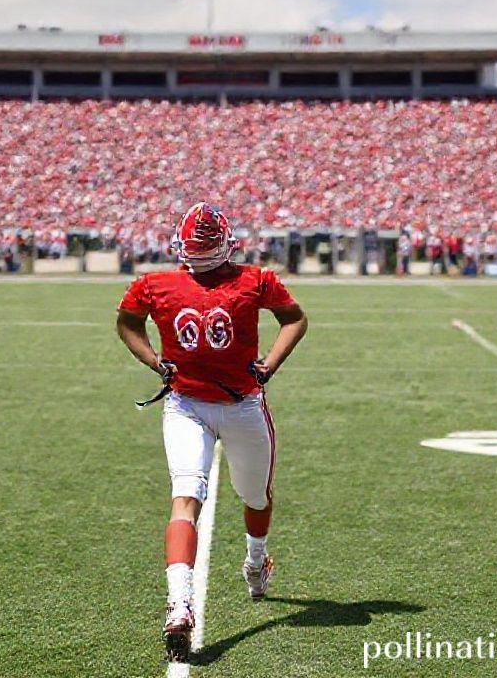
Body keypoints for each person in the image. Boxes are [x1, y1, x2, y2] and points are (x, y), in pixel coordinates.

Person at [116, 202, 308, 661]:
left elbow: (125, 324)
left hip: (216, 405)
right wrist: (268, 368)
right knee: (224, 496)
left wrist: (154, 363)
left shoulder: (155, 284)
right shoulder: (251, 278)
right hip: (211, 405)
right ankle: (188, 598)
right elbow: (296, 319)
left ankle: (244, 565)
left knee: (226, 497)